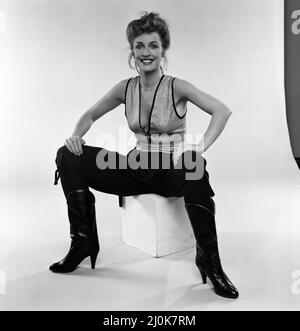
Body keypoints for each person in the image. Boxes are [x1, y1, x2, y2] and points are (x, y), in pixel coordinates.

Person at [50, 11, 239, 299]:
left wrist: (198, 148)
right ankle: (83, 242)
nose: (146, 52)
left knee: (194, 165)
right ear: (133, 51)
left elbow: (221, 111)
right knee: (67, 155)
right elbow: (90, 114)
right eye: (139, 46)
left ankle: (210, 262)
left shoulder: (177, 86)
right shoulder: (125, 88)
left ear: (164, 51)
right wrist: (77, 135)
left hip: (171, 170)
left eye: (153, 45)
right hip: (135, 166)